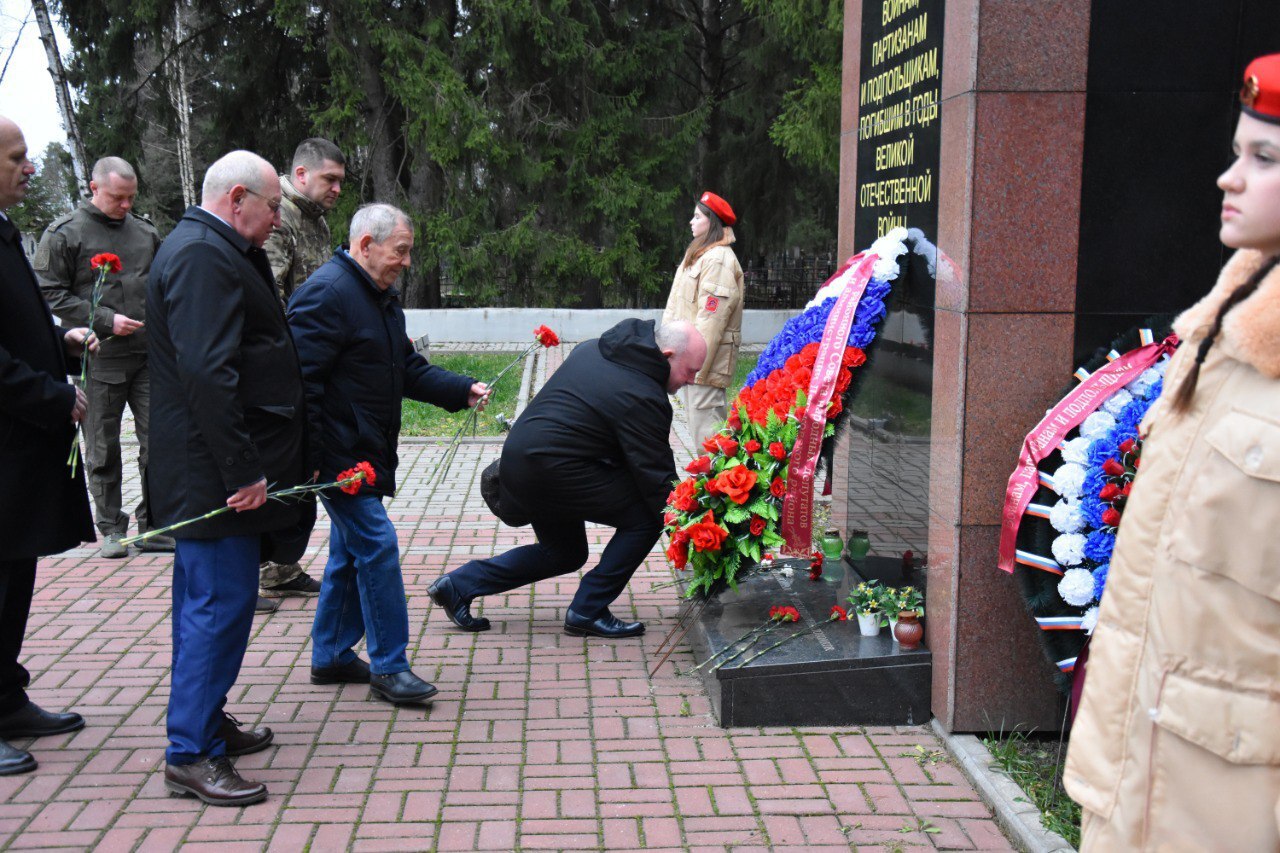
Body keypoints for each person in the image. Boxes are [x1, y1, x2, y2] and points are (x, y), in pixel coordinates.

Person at [1065, 54, 1280, 851]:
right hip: (1143, 780)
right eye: (1237, 151)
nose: (1230, 177)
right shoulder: (1223, 335)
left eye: (1265, 158)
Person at [148, 150, 310, 806]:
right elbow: (208, 372)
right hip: (212, 474)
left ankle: (207, 721)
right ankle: (190, 753)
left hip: (209, 469)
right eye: (273, 206)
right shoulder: (201, 255)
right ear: (237, 198)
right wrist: (244, 469)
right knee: (216, 610)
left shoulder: (215, 247)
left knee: (212, 606)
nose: (279, 219)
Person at [288, 203, 488, 705]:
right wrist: (311, 460)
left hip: (366, 450)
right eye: (400, 251)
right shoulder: (326, 294)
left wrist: (460, 388)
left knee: (348, 551)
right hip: (339, 458)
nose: (406, 262)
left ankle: (332, 654)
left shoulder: (379, 297)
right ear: (365, 245)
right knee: (377, 546)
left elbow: (406, 368)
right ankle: (389, 665)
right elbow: (298, 384)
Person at [429, 319, 706, 639]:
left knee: (564, 552)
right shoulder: (643, 394)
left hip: (526, 460)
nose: (692, 381)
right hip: (552, 470)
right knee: (648, 515)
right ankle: (588, 610)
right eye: (690, 371)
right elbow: (657, 480)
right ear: (667, 355)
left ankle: (458, 585)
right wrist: (699, 531)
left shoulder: (597, 347)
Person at [0, 116, 96, 777]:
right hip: (11, 434)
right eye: (16, 158)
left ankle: (5, 698)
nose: (29, 168)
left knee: (14, 575)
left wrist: (59, 340)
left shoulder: (5, 232)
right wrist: (51, 394)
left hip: (21, 448)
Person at [35, 156, 169, 559]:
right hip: (99, 357)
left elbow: (163, 282)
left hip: (148, 356)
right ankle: (111, 527)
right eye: (117, 198)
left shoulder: (145, 231)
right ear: (94, 188)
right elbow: (48, 292)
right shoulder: (65, 234)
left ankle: (155, 524)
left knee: (159, 442)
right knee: (102, 447)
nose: (125, 205)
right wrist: (106, 320)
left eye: (131, 198)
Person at [256, 137, 345, 607]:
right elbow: (270, 296)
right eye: (330, 179)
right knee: (281, 470)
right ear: (302, 173)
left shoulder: (316, 219)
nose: (337, 189)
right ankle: (255, 568)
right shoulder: (280, 217)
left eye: (340, 182)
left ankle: (281, 568)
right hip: (286, 365)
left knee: (302, 471)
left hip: (311, 359)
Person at [661, 191, 744, 446]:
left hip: (704, 366)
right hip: (692, 362)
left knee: (709, 442)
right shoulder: (702, 254)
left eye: (697, 217)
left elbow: (711, 322)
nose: (691, 221)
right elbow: (677, 306)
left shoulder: (718, 260)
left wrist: (695, 368)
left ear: (712, 222)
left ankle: (719, 475)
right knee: (704, 436)